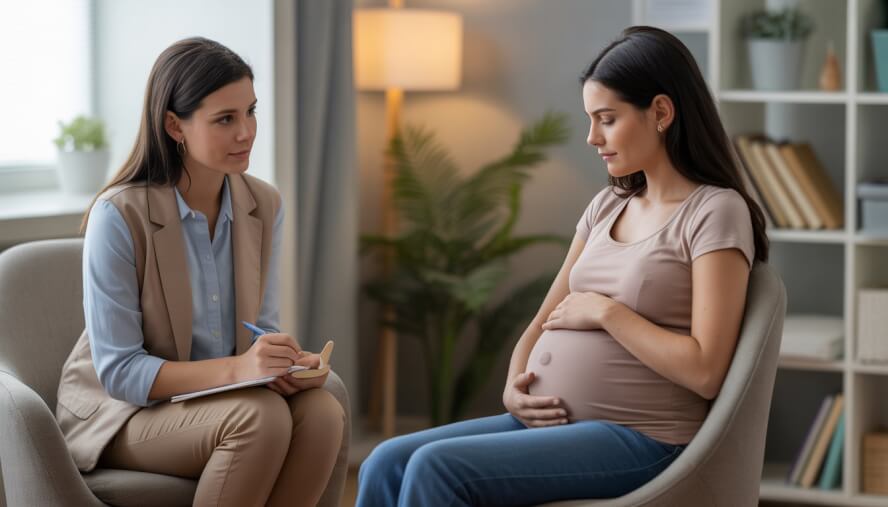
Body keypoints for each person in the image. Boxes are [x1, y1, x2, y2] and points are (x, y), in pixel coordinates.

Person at [355, 25, 769, 507]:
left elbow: (706, 370)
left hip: (643, 439)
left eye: (607, 119)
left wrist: (607, 313)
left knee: (436, 468)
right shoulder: (607, 205)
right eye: (591, 120)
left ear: (660, 112)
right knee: (386, 460)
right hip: (554, 425)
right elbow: (542, 319)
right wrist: (514, 384)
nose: (592, 137)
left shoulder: (715, 211)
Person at [55, 37, 345, 507]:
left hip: (223, 399)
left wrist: (276, 362)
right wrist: (240, 369)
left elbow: (259, 328)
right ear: (175, 125)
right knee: (260, 418)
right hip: (123, 413)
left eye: (251, 111)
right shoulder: (119, 214)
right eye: (225, 119)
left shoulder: (264, 204)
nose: (246, 132)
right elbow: (121, 372)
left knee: (322, 412)